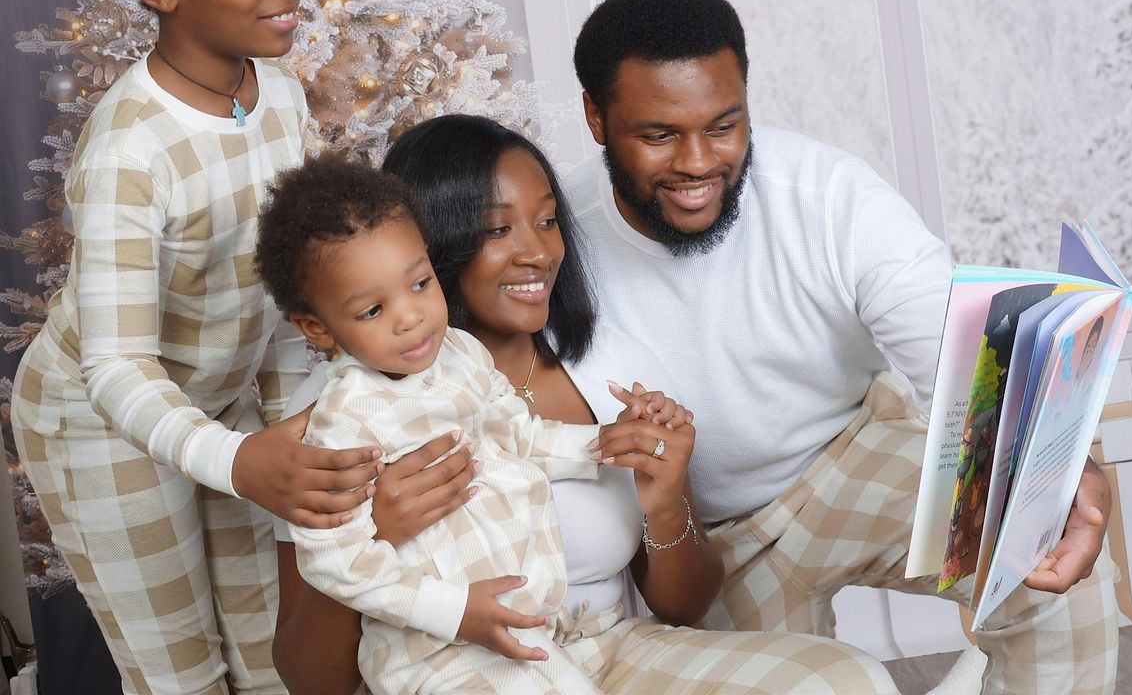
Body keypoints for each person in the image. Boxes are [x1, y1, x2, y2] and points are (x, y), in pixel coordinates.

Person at [562, 0, 1119, 694]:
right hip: (712, 542)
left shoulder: (827, 194)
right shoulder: (553, 243)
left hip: (853, 454)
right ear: (596, 117)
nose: (698, 163)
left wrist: (1062, 473)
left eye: (724, 126)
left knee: (1051, 549)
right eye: (659, 135)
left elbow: (956, 348)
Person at [271, 114, 901, 695]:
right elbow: (310, 681)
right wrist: (376, 532)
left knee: (846, 681)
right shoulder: (330, 416)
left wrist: (664, 495)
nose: (539, 252)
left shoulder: (610, 365)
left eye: (548, 221)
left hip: (611, 648)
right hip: (464, 665)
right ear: (431, 241)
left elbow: (686, 606)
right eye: (498, 229)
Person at [10, 0, 382, 695]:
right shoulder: (129, 151)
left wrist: (298, 433)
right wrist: (238, 461)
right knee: (184, 677)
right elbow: (116, 365)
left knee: (273, 656)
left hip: (222, 403)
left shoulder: (278, 95)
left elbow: (288, 287)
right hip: (99, 423)